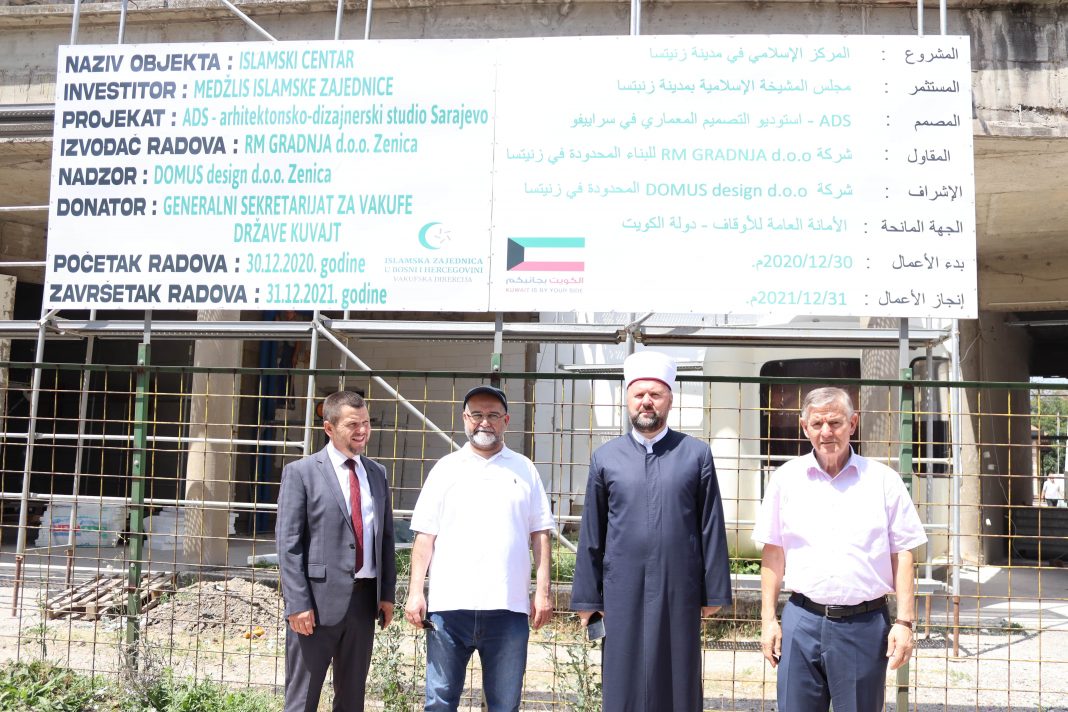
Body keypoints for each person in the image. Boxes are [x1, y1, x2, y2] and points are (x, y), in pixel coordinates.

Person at [572, 350, 733, 712]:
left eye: (655, 394)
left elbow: (710, 525)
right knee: (624, 678)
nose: (646, 401)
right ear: (627, 400)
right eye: (639, 394)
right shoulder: (605, 458)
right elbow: (592, 532)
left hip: (679, 587)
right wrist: (588, 600)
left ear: (669, 401)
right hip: (621, 588)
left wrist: (713, 591)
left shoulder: (696, 454)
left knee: (678, 676)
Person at [753, 386, 928, 712]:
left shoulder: (883, 481)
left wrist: (904, 623)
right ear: (804, 427)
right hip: (801, 623)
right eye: (817, 424)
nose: (826, 432)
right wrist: (768, 620)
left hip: (863, 626)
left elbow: (903, 554)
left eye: (835, 422)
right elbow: (773, 552)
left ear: (853, 423)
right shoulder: (785, 480)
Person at [404, 385, 555, 712]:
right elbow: (425, 536)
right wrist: (415, 592)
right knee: (439, 702)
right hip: (449, 608)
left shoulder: (524, 469)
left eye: (493, 415)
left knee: (505, 704)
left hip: (508, 609)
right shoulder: (445, 469)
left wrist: (543, 592)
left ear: (506, 421)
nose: (484, 422)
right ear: (464, 419)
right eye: (476, 415)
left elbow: (540, 534)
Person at [276, 390, 397, 712]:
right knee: (302, 699)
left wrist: (387, 594)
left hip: (363, 603)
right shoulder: (302, 473)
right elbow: (288, 545)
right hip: (314, 605)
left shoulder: (377, 473)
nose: (362, 431)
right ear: (329, 428)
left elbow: (385, 537)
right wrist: (297, 603)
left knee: (352, 697)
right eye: (353, 424)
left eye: (366, 423)